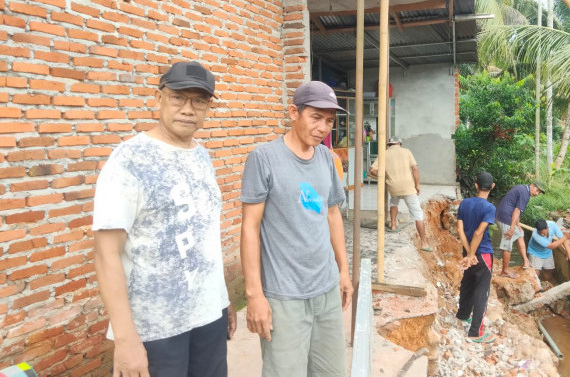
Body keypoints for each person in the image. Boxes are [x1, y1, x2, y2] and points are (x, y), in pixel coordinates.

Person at [93, 61, 236, 377]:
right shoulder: (129, 161)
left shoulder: (202, 154)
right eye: (178, 98)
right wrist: (126, 340)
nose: (189, 109)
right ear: (158, 99)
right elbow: (106, 254)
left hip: (208, 318)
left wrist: (223, 301)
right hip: (155, 329)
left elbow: (206, 238)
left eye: (199, 100)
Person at [240, 81, 353, 377]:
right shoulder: (263, 158)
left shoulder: (328, 159)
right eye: (315, 117)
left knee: (332, 372)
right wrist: (254, 295)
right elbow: (250, 227)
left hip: (326, 289)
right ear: (294, 112)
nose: (323, 127)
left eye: (329, 121)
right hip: (284, 295)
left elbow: (332, 216)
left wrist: (343, 271)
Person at [368, 137, 431, 251]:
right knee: (418, 214)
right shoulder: (407, 152)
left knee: (394, 202)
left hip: (393, 186)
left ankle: (393, 225)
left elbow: (371, 170)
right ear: (399, 143)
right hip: (408, 187)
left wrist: (384, 176)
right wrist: (417, 185)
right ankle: (424, 243)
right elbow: (415, 169)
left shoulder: (384, 153)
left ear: (389, 144)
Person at [456, 171, 497, 343]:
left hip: (468, 252)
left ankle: (463, 315)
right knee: (482, 291)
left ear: (476, 185)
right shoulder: (489, 208)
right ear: (492, 187)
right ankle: (475, 332)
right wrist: (473, 254)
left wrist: (468, 254)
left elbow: (460, 229)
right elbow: (479, 232)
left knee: (468, 282)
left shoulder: (464, 203)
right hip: (483, 254)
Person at [495, 181, 546, 278]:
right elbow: (516, 211)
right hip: (506, 218)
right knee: (507, 244)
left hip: (506, 215)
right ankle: (504, 271)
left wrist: (517, 225)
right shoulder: (524, 194)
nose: (536, 193)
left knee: (520, 234)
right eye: (537, 190)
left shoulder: (522, 189)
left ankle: (526, 260)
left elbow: (515, 207)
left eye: (539, 192)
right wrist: (512, 228)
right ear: (532, 185)